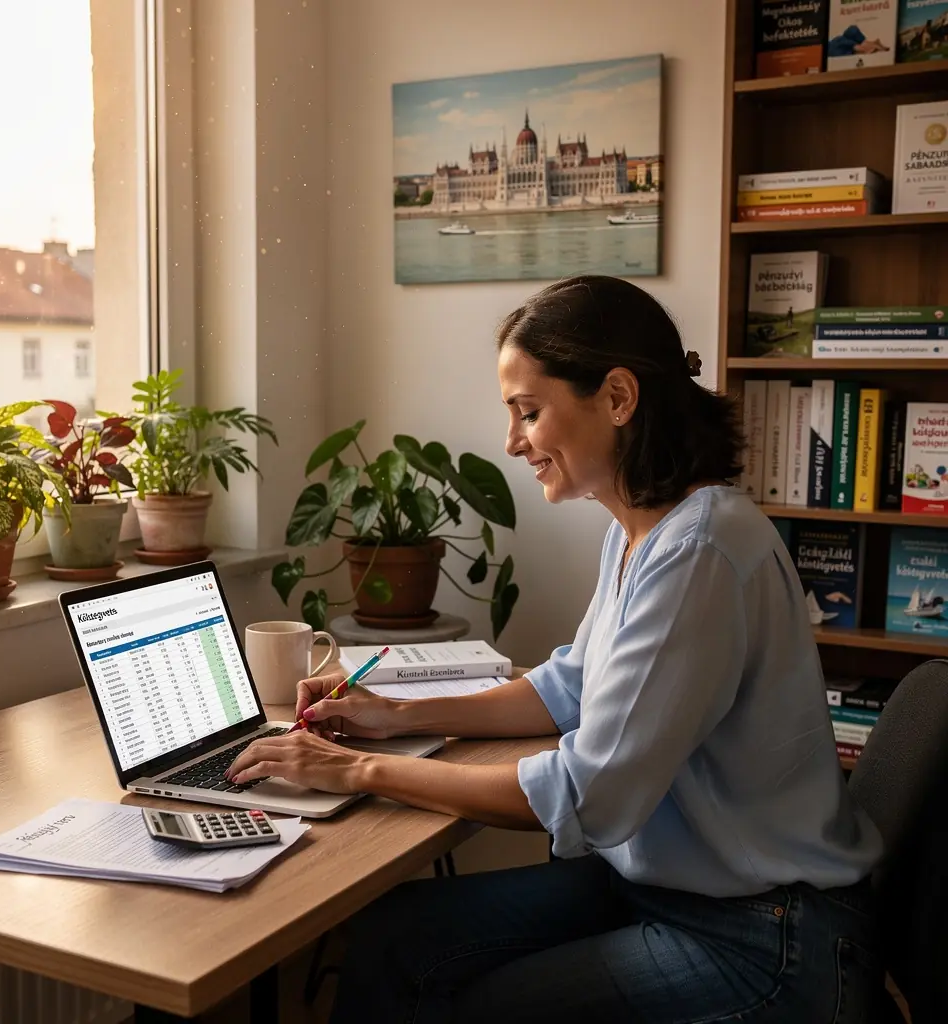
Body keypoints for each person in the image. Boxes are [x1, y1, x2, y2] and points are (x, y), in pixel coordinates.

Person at [227, 275, 885, 1023]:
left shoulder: (698, 552)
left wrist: (360, 769)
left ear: (617, 398)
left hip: (768, 941)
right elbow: (566, 688)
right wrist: (394, 715)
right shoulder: (643, 531)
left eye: (529, 413)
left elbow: (590, 792)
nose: (513, 442)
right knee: (392, 938)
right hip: (669, 889)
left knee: (490, 1007)